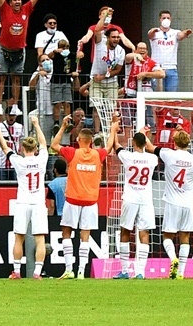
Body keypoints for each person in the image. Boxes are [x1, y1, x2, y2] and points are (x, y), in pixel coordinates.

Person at [51, 113, 120, 279]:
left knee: (66, 232)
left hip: (73, 200)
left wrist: (63, 127)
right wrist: (112, 129)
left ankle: (69, 269)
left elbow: (54, 144)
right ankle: (81, 271)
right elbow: (110, 146)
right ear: (90, 141)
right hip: (90, 201)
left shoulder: (72, 153)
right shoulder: (98, 155)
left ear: (80, 139)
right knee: (85, 235)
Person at [0, 114, 50, 279]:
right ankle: (37, 272)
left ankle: (16, 271)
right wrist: (36, 124)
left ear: (22, 148)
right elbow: (44, 143)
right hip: (37, 203)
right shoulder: (42, 159)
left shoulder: (19, 161)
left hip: (22, 202)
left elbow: (5, 148)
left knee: (18, 237)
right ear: (35, 149)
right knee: (40, 239)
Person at [0, 0, 50, 104]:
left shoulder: (26, 9)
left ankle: (15, 105)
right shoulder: (5, 9)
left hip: (19, 52)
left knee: (16, 78)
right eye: (15, 0)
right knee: (2, 78)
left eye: (19, 0)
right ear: (10, 3)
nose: (18, 2)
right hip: (4, 49)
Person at [151, 127, 193, 279]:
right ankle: (181, 273)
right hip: (189, 203)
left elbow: (149, 147)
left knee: (167, 236)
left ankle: (173, 259)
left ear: (174, 142)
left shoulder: (168, 155)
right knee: (185, 237)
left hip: (173, 202)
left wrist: (145, 134)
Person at [113, 124, 159, 279]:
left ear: (133, 143)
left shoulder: (128, 156)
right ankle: (140, 272)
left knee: (125, 231)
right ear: (145, 143)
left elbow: (116, 146)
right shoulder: (152, 159)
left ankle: (125, 271)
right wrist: (144, 135)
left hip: (130, 199)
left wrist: (113, 129)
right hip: (146, 200)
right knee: (144, 233)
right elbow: (150, 147)